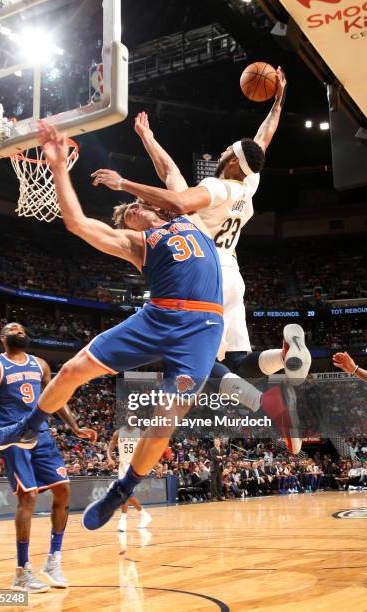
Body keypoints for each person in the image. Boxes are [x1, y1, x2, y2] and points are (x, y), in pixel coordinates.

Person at [0, 121, 295, 532]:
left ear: (154, 208)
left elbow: (176, 170)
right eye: (127, 216)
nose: (132, 214)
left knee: (167, 416)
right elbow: (78, 224)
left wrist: (146, 140)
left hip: (201, 328)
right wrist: (58, 169)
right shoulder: (138, 244)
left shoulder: (190, 214)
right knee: (74, 369)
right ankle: (27, 427)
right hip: (158, 316)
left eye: (133, 208)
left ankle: (123, 490)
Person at [98, 78, 312, 454]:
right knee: (236, 362)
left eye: (227, 150)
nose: (223, 150)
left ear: (231, 162)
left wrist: (124, 184)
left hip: (205, 278)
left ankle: (269, 405)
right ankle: (284, 356)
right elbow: (260, 141)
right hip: (232, 274)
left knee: (194, 365)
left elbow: (177, 195)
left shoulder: (216, 189)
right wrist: (278, 101)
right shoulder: (248, 184)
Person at [0, 322, 97, 593]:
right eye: (13, 328)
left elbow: (57, 396)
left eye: (22, 328)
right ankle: (22, 571)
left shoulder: (40, 364)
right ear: (3, 337)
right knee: (27, 498)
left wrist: (74, 425)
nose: (19, 330)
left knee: (63, 490)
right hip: (13, 438)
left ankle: (53, 560)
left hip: (42, 436)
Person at [107, 426, 152, 531]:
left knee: (125, 492)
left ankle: (123, 521)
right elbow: (110, 448)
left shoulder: (140, 433)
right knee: (125, 494)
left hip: (135, 465)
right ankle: (144, 515)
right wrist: (109, 459)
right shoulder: (118, 433)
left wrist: (153, 464)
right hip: (122, 466)